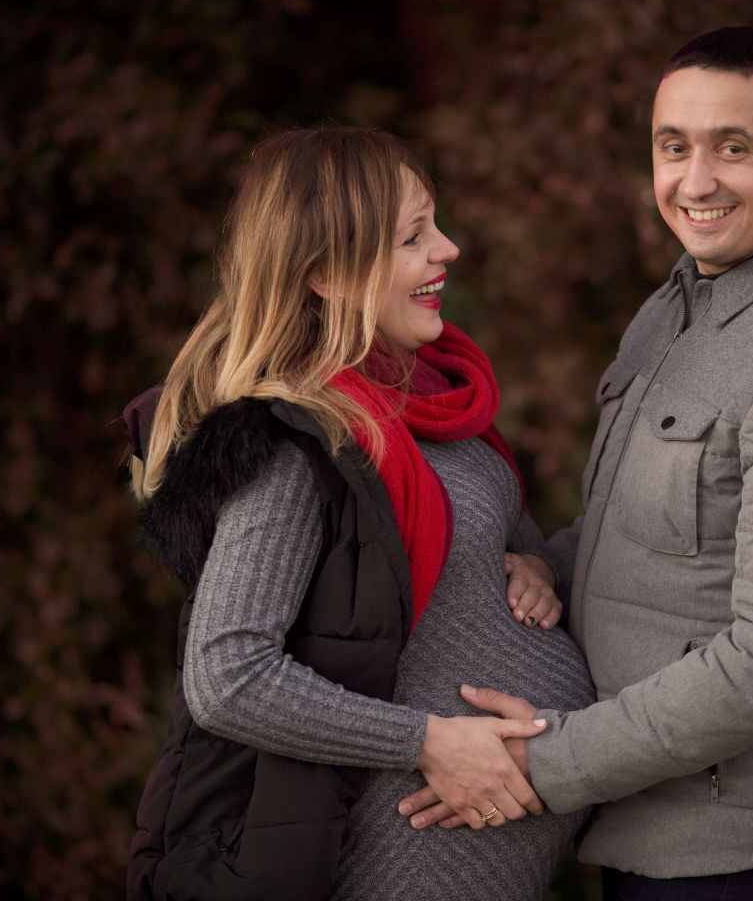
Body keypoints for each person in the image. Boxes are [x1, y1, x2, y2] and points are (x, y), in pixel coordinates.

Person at [399, 27, 753, 898]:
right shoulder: (682, 304)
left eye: (733, 148)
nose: (696, 181)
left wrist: (547, 762)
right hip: (644, 831)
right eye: (673, 146)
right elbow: (656, 528)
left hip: (736, 861)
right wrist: (550, 566)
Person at [123, 127, 594, 901]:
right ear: (326, 274)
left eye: (435, 225)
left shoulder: (435, 403)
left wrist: (537, 567)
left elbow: (490, 550)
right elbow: (227, 674)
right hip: (393, 866)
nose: (447, 249)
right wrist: (430, 742)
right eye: (413, 237)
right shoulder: (297, 445)